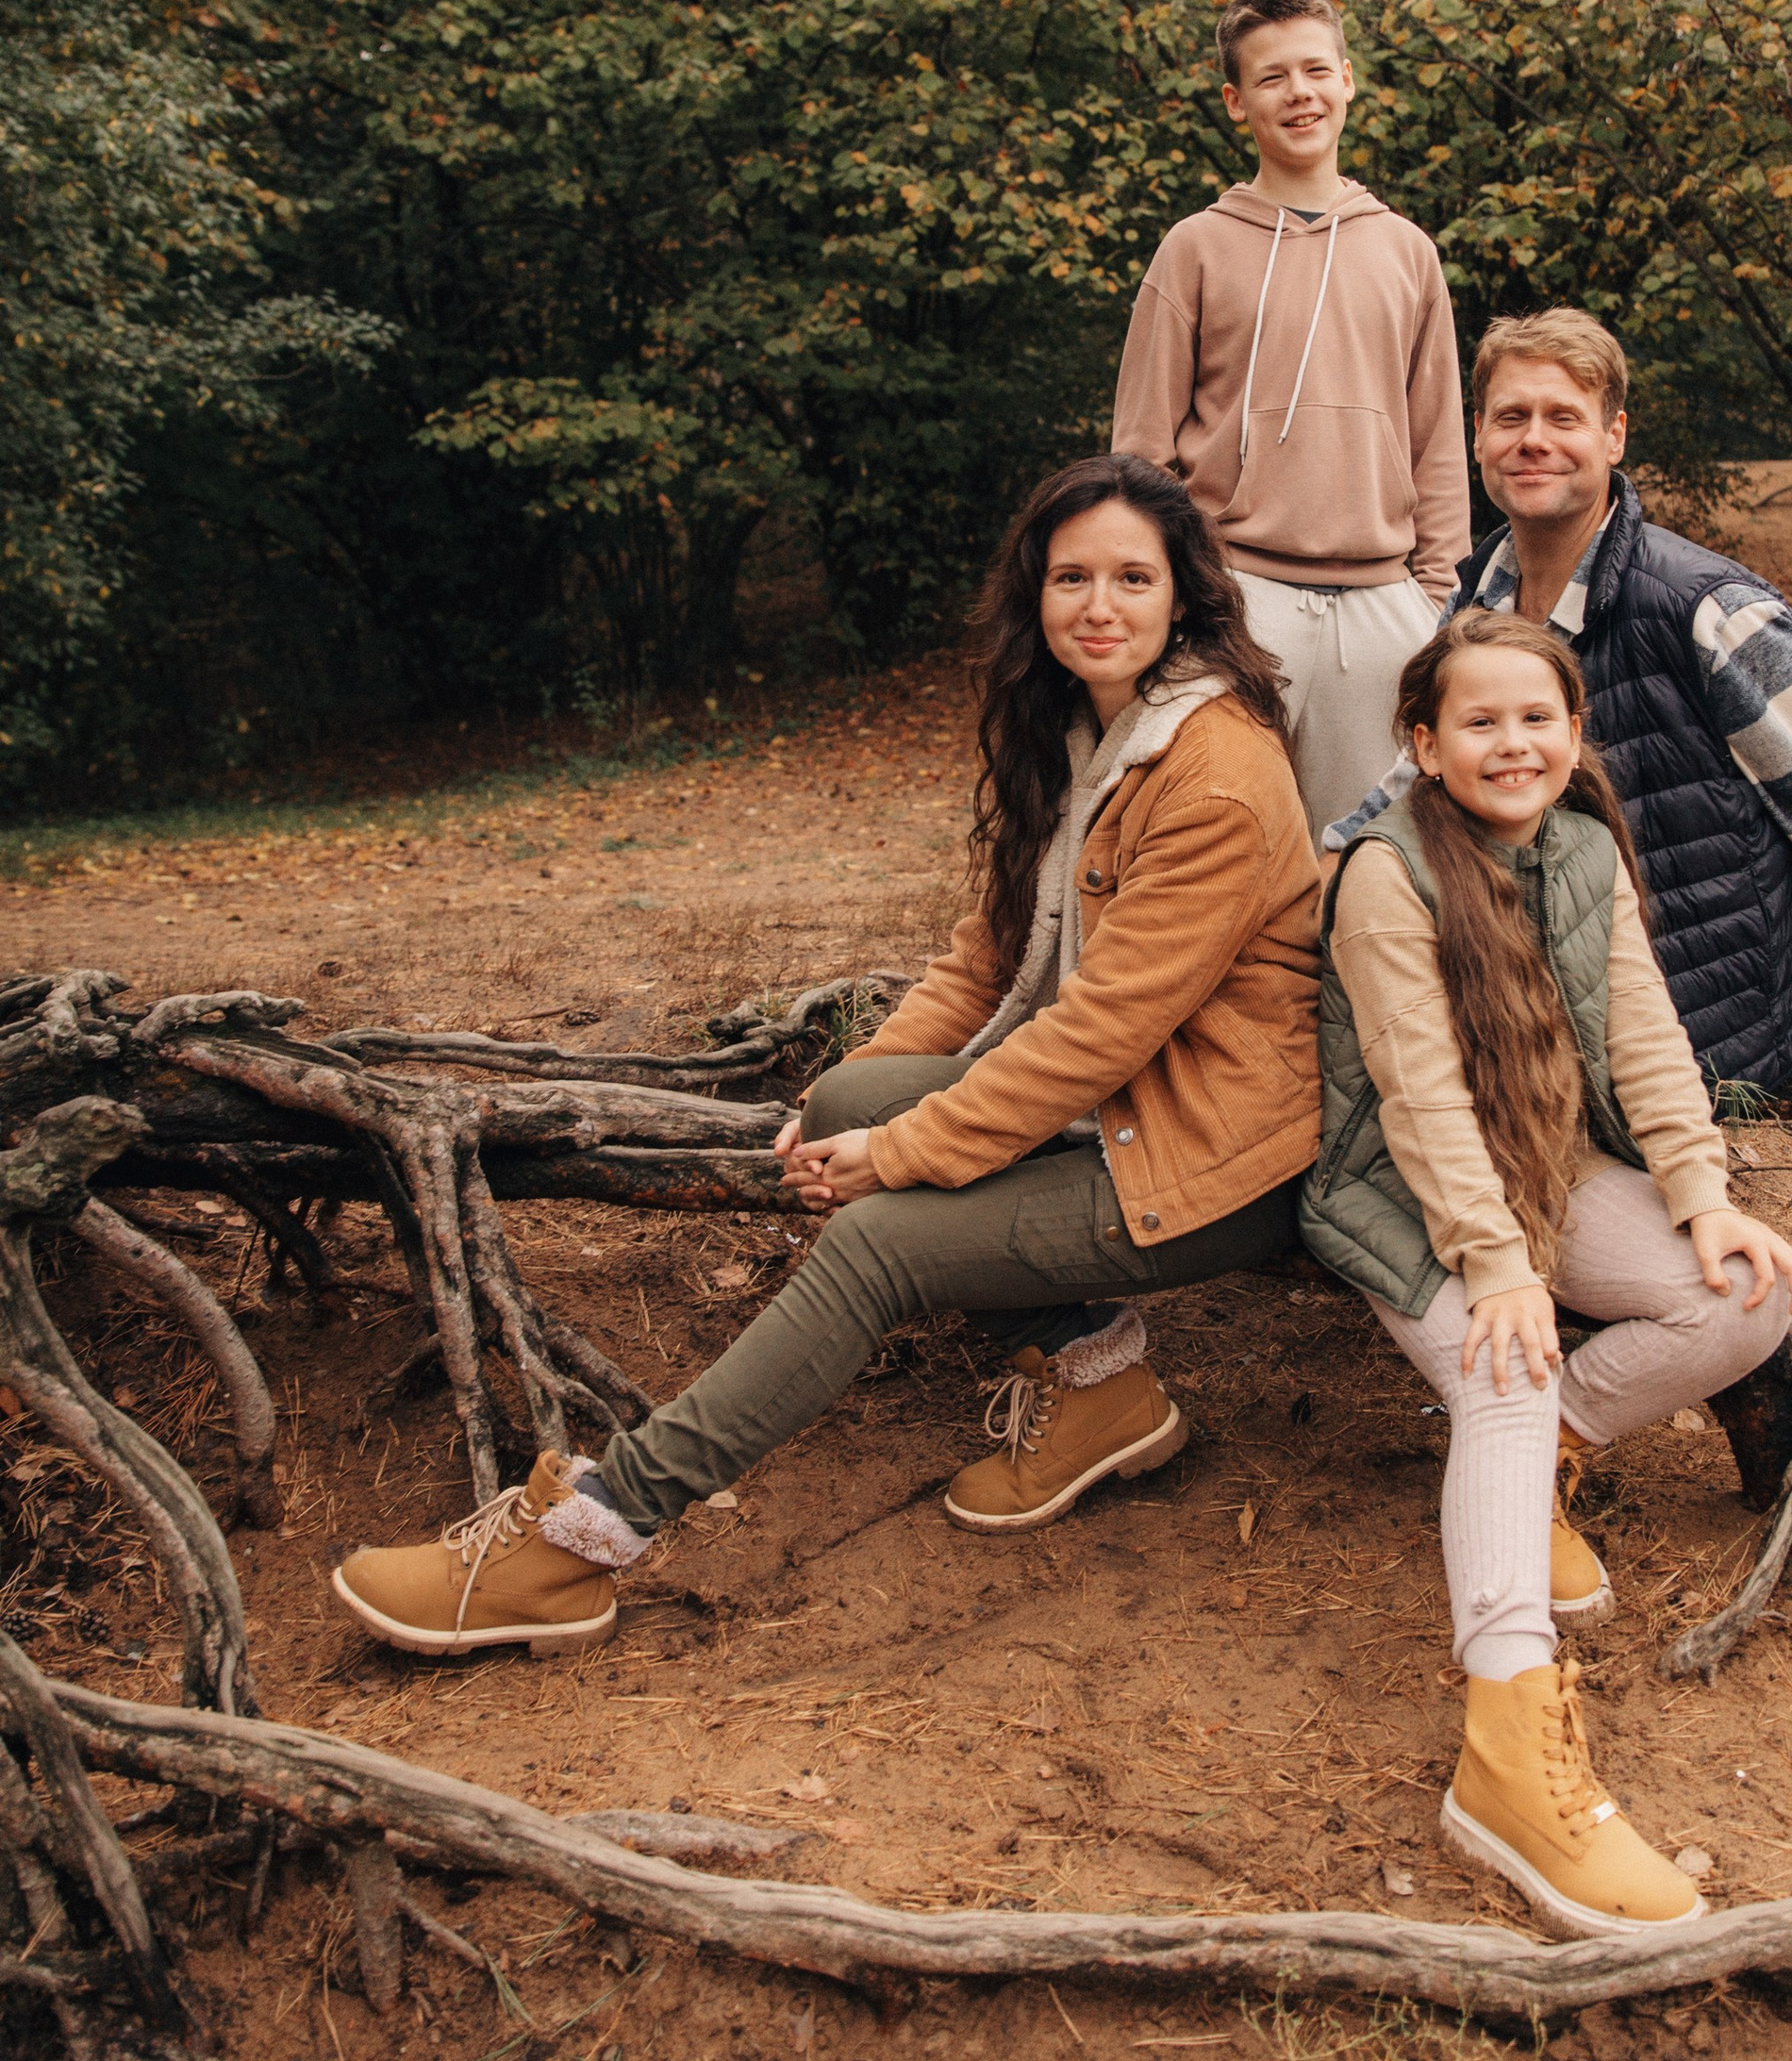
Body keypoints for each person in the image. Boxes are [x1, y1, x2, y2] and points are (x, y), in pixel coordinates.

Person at [331, 456, 1320, 1657]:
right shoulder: (1081, 734)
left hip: (1209, 1159)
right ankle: (1101, 1387)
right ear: (1034, 591)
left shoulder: (1214, 774)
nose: (1097, 604)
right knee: (854, 1095)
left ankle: (588, 1537)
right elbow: (981, 964)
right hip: (1113, 1109)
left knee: (877, 1241)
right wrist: (843, 1112)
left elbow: (1097, 1032)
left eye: (1130, 577)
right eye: (1071, 576)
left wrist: (898, 1156)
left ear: (1184, 599)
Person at [1302, 610, 1792, 1937]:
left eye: (1539, 718)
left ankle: (1541, 1467)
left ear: (1576, 734)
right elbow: (1415, 1101)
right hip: (1403, 1196)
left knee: (1746, 1299)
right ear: (1423, 741)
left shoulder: (1583, 847)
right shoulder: (1382, 874)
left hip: (1553, 1164)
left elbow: (1645, 1039)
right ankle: (1507, 1756)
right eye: (1479, 721)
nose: (1513, 743)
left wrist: (1704, 1201)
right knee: (1506, 1375)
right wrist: (1499, 1271)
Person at [1327, 307, 1792, 1103]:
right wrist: (1324, 875)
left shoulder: (1709, 612)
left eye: (1563, 418)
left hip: (1709, 1014)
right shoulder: (1478, 599)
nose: (1533, 439)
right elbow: (1415, 780)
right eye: (1511, 417)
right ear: (1478, 437)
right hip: (1554, 987)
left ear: (1614, 437)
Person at [1112, 0, 1470, 841]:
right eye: (1273, 78)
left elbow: (1438, 442)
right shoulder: (1196, 247)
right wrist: (1185, 592)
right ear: (1237, 102)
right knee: (1215, 841)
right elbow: (1139, 455)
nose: (1299, 93)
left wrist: (1431, 598)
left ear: (1348, 79)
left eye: (1317, 70)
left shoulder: (1408, 252)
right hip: (1237, 594)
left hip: (1384, 605)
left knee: (1368, 854)